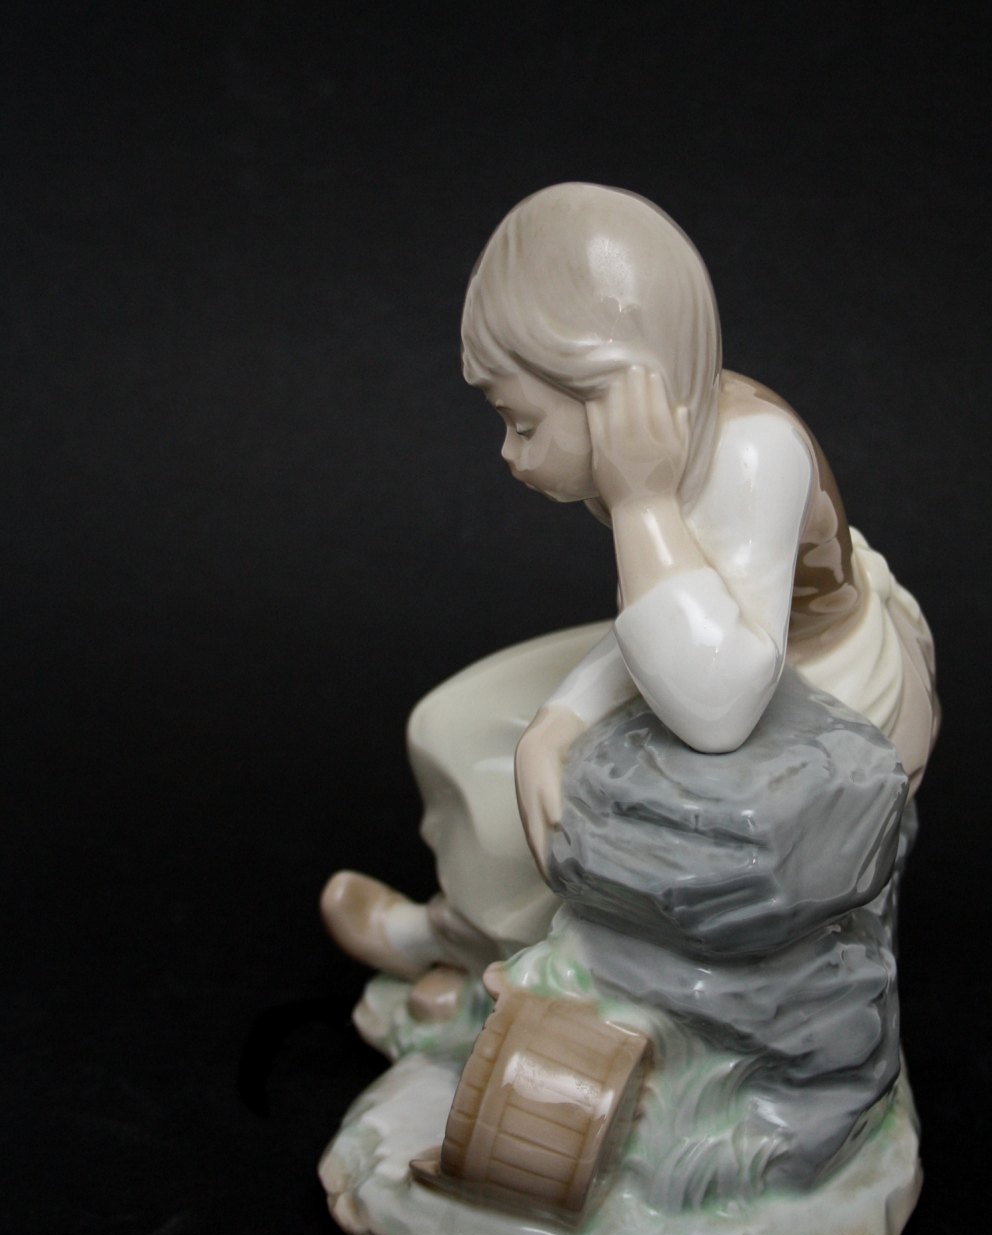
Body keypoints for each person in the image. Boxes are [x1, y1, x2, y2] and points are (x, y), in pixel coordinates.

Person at [321, 183, 938, 1003]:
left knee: (589, 799)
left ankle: (497, 954)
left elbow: (719, 705)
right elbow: (658, 626)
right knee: (462, 725)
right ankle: (466, 935)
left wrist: (643, 504)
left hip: (812, 688)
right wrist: (562, 715)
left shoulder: (752, 454)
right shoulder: (657, 449)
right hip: (693, 649)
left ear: (617, 396)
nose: (508, 453)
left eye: (524, 424)